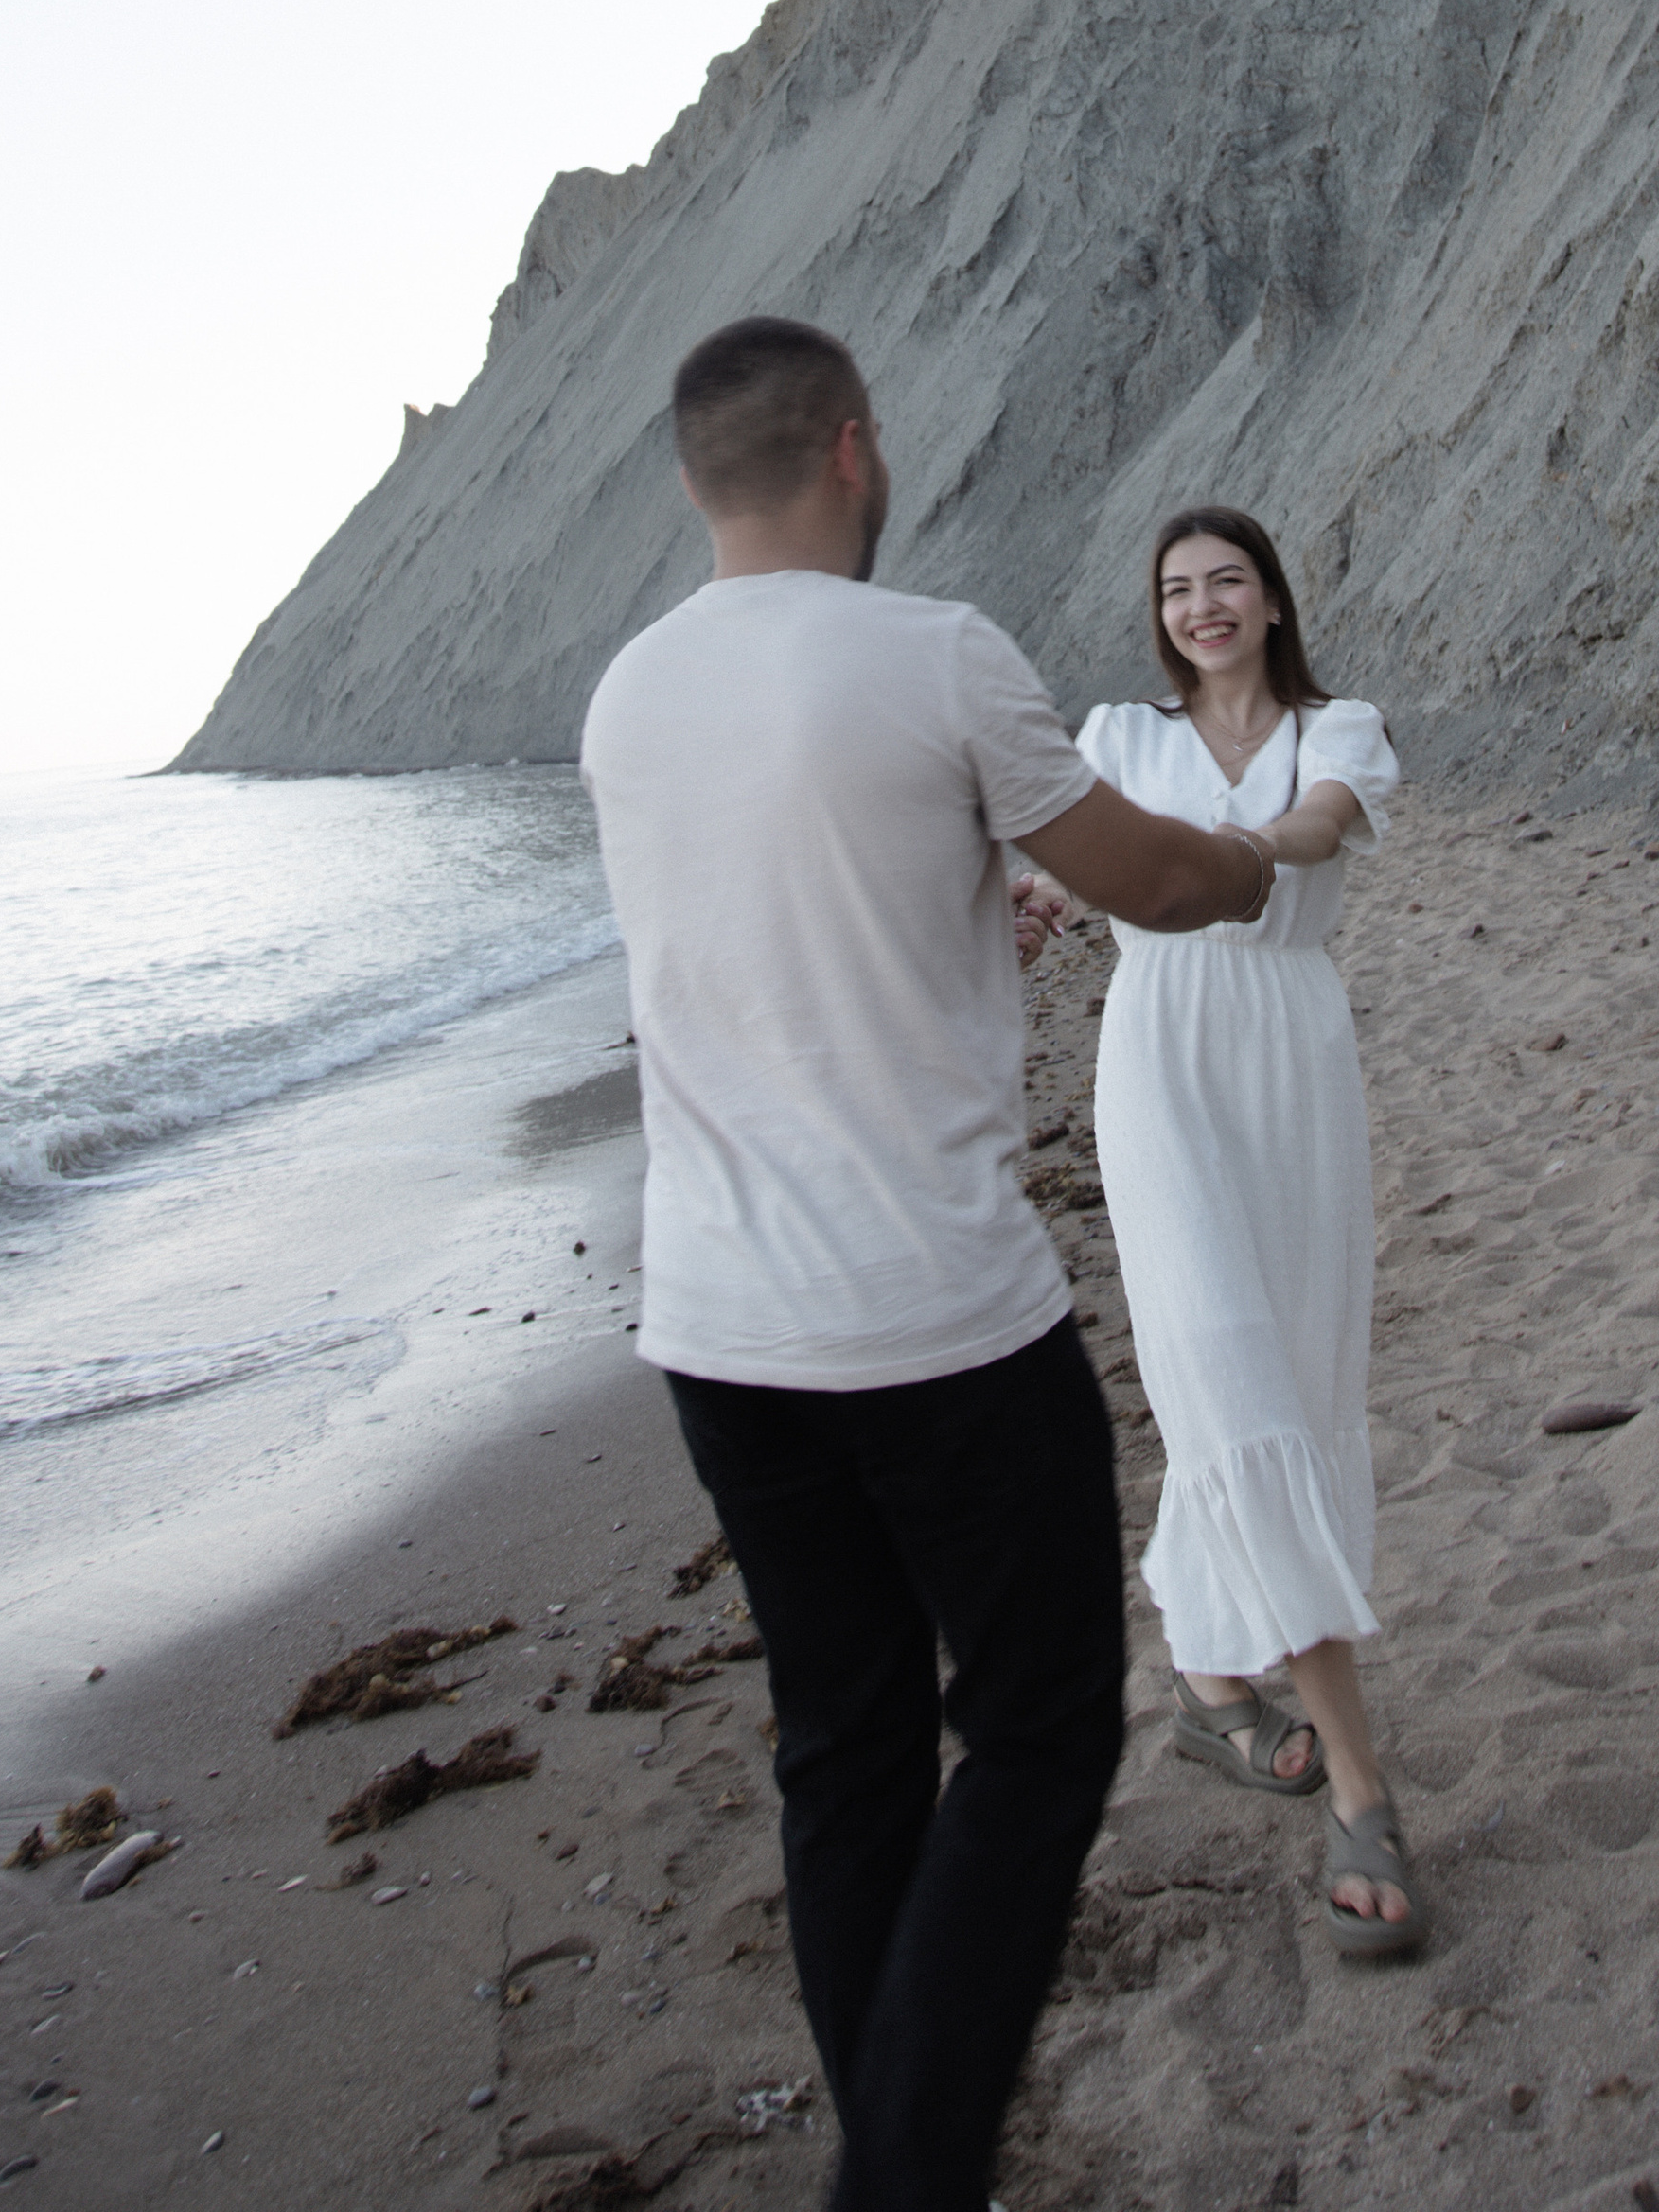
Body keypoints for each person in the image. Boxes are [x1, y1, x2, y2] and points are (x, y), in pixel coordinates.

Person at [578, 322, 1287, 2212]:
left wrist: (975, 918)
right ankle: (900, 2181)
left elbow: (788, 928)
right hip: (937, 1320)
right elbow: (1155, 879)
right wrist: (1251, 865)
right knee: (1043, 1729)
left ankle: (906, 2162)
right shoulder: (936, 653)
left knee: (848, 1754)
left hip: (717, 1332)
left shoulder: (626, 699)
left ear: (692, 483)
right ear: (853, 448)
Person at [1015, 505, 1427, 1959]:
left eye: (1226, 582)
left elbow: (1315, 831)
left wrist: (1224, 853)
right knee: (1229, 1380)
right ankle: (1362, 1787)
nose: (1202, 606)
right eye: (1178, 588)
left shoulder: (1338, 730)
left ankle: (1205, 1682)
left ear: (1271, 601)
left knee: (1287, 1391)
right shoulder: (1120, 736)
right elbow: (1066, 860)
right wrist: (1038, 901)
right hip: (1162, 1063)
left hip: (1292, 1060)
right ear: (1160, 615)